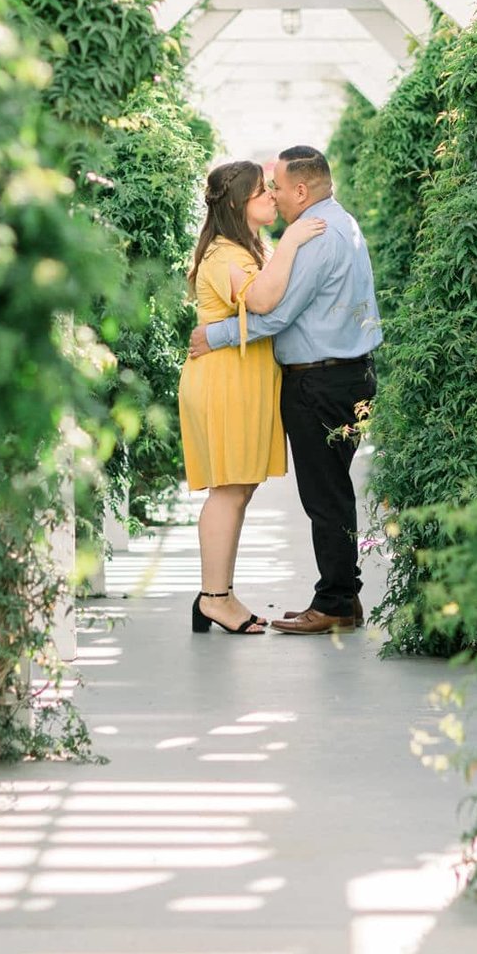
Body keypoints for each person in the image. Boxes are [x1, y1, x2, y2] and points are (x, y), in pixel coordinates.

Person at [189, 145, 382, 635]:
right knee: (327, 491)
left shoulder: (314, 236)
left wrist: (215, 335)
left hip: (322, 379)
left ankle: (337, 601)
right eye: (262, 189)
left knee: (326, 495)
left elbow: (274, 312)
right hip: (340, 374)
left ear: (301, 189)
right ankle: (337, 597)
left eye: (274, 186)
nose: (272, 194)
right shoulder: (339, 223)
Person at [180, 160, 327, 636]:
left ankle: (219, 594)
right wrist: (291, 243)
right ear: (242, 203)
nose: (271, 197)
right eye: (262, 191)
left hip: (240, 380)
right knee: (228, 489)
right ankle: (213, 598)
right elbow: (263, 302)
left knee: (239, 488)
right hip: (225, 383)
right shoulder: (226, 255)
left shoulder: (240, 248)